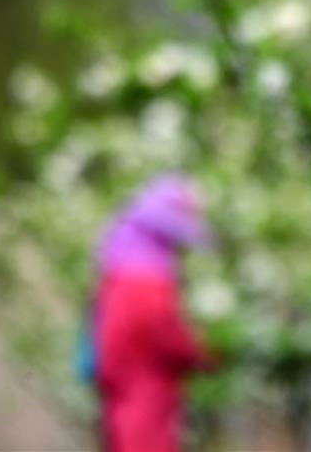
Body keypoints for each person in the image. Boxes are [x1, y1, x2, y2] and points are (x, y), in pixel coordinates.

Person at [91, 174, 216, 452]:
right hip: (144, 397)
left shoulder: (117, 270)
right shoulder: (146, 280)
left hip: (124, 395)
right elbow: (162, 332)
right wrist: (203, 352)